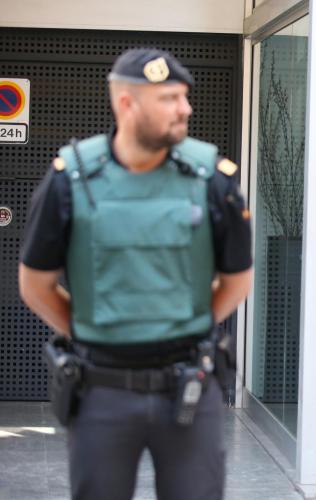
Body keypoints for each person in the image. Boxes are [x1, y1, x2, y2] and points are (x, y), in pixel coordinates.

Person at [18, 48, 253, 500]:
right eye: (169, 98)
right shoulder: (69, 180)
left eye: (184, 97)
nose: (185, 108)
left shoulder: (213, 179)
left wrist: (187, 328)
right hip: (101, 391)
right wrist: (93, 333)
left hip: (189, 387)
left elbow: (238, 279)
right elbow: (35, 284)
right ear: (126, 103)